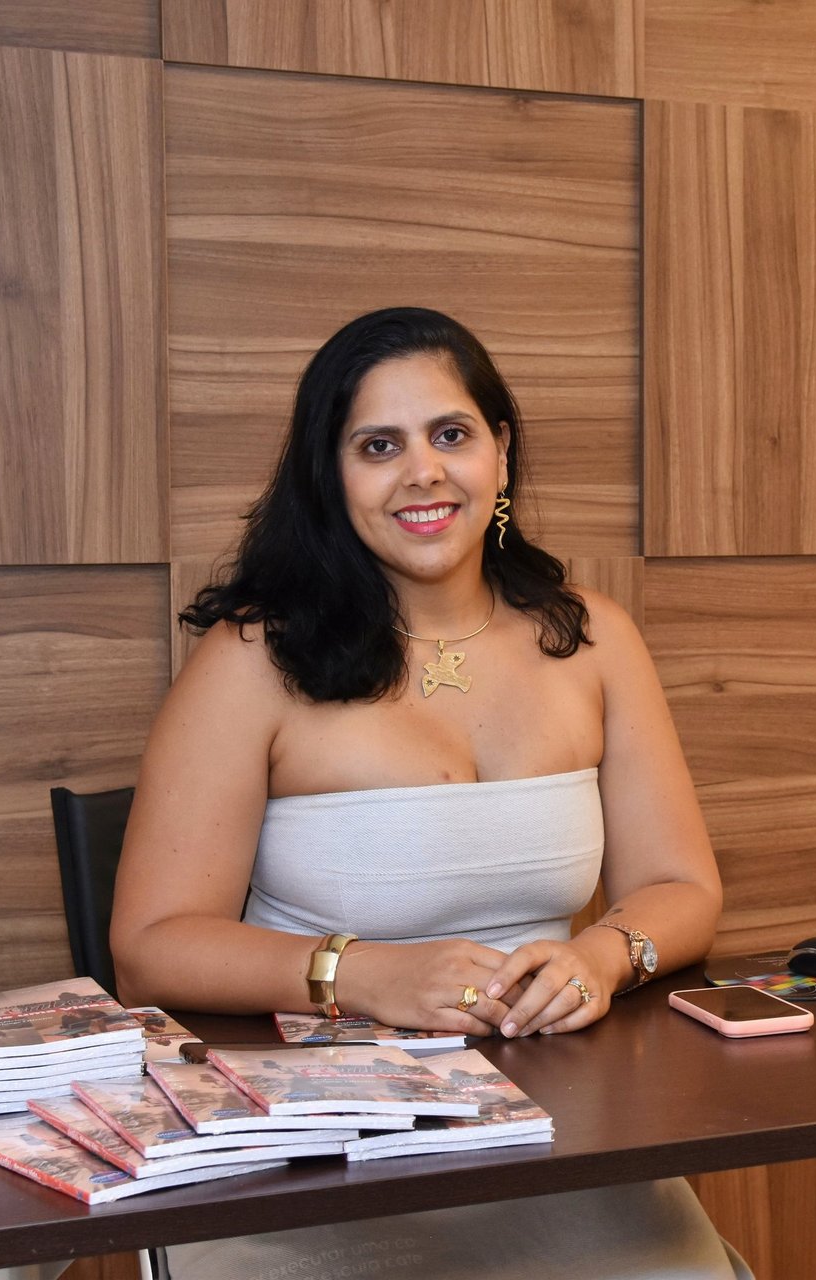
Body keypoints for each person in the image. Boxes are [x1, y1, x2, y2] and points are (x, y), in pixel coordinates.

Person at [111, 307, 742, 1278]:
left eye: (451, 433)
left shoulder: (595, 639)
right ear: (333, 477)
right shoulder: (249, 661)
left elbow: (682, 886)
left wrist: (601, 958)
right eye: (379, 445)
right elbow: (150, 946)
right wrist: (365, 976)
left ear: (501, 448)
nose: (424, 471)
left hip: (557, 1132)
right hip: (313, 1150)